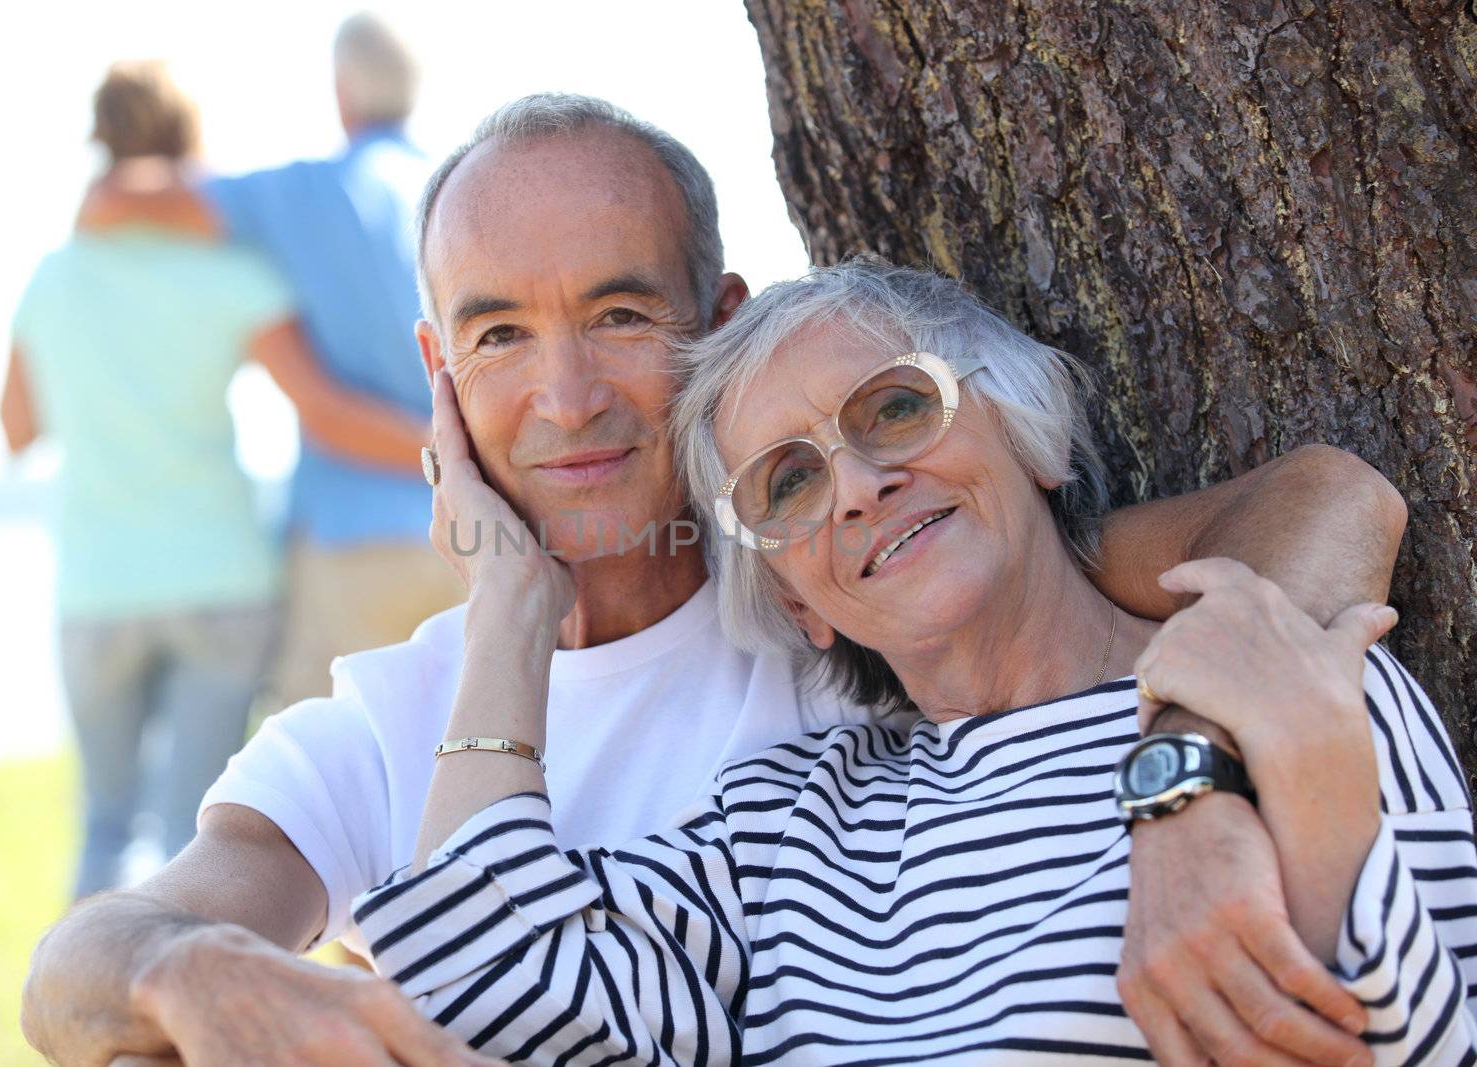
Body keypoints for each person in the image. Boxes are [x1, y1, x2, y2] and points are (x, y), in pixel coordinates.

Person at [22, 95, 1409, 1067]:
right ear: (440, 377)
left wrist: (1197, 787)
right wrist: (186, 972)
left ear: (719, 324)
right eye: (500, 336)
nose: (565, 397)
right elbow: (85, 963)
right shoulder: (396, 718)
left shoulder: (869, 580)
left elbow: (1321, 504)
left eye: (620, 314)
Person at [360, 261, 1476, 1064]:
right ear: (798, 602)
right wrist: (511, 603)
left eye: (895, 408)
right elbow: (480, 976)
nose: (853, 484)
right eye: (787, 484)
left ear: (1026, 431)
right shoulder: (785, 825)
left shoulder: (1286, 661)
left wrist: (1200, 794)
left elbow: (1422, 1039)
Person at [0, 61, 433, 898]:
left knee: (105, 818)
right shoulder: (239, 279)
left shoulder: (53, 279)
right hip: (223, 579)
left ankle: (100, 1017)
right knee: (193, 823)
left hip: (96, 584)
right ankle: (192, 1019)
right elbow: (323, 407)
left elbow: (17, 430)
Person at [77, 12, 463, 709]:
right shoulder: (461, 189)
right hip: (475, 539)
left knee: (322, 780)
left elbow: (115, 199)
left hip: (351, 546)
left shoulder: (303, 193)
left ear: (341, 91)